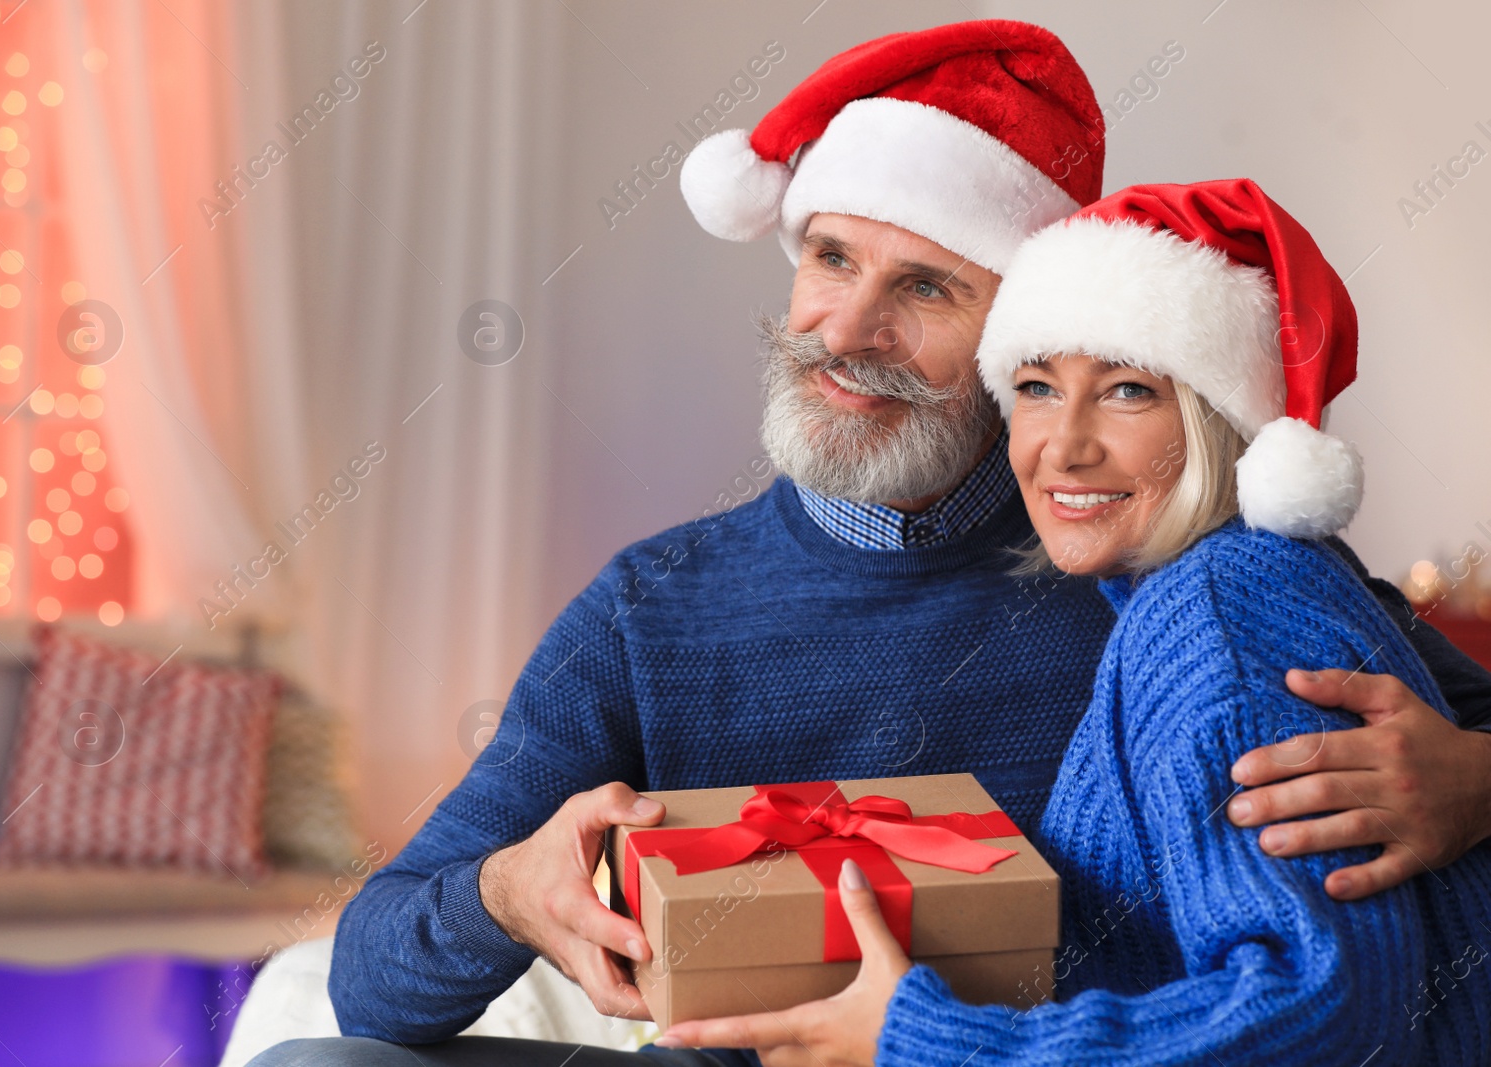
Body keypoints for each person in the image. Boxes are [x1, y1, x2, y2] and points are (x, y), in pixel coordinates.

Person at [251, 23, 1491, 1067]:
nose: (847, 327)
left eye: (926, 289)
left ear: (1019, 339)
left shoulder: (1142, 558)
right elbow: (374, 975)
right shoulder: (653, 610)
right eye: (830, 258)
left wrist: (1475, 779)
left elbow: (1338, 964)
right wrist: (504, 890)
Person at [659, 179, 1491, 1065]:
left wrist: (932, 1042)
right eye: (1037, 387)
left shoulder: (1219, 613)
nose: (1064, 444)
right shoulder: (1221, 583)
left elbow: (1324, 1013)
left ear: (1220, 422)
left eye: (1129, 390)